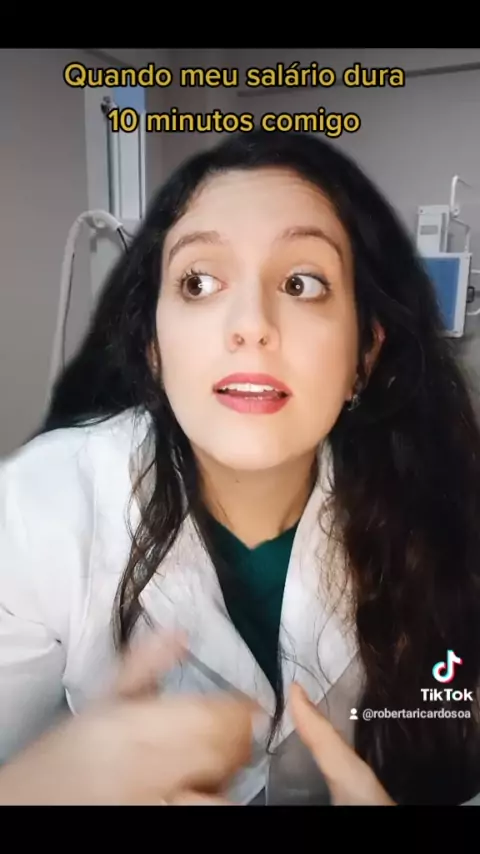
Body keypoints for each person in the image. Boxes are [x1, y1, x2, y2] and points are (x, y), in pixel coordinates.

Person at [1, 130, 480, 806]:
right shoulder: (37, 508)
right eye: (198, 282)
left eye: (301, 283)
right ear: (154, 348)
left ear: (364, 356)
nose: (251, 325)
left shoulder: (449, 505)